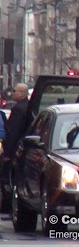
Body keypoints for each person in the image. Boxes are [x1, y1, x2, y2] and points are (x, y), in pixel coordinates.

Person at [0, 83, 30, 219]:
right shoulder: (28, 107)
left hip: (15, 151)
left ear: (22, 93)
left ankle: (7, 208)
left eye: (15, 91)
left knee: (7, 179)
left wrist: (7, 153)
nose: (13, 93)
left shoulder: (18, 109)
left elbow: (13, 132)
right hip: (23, 150)